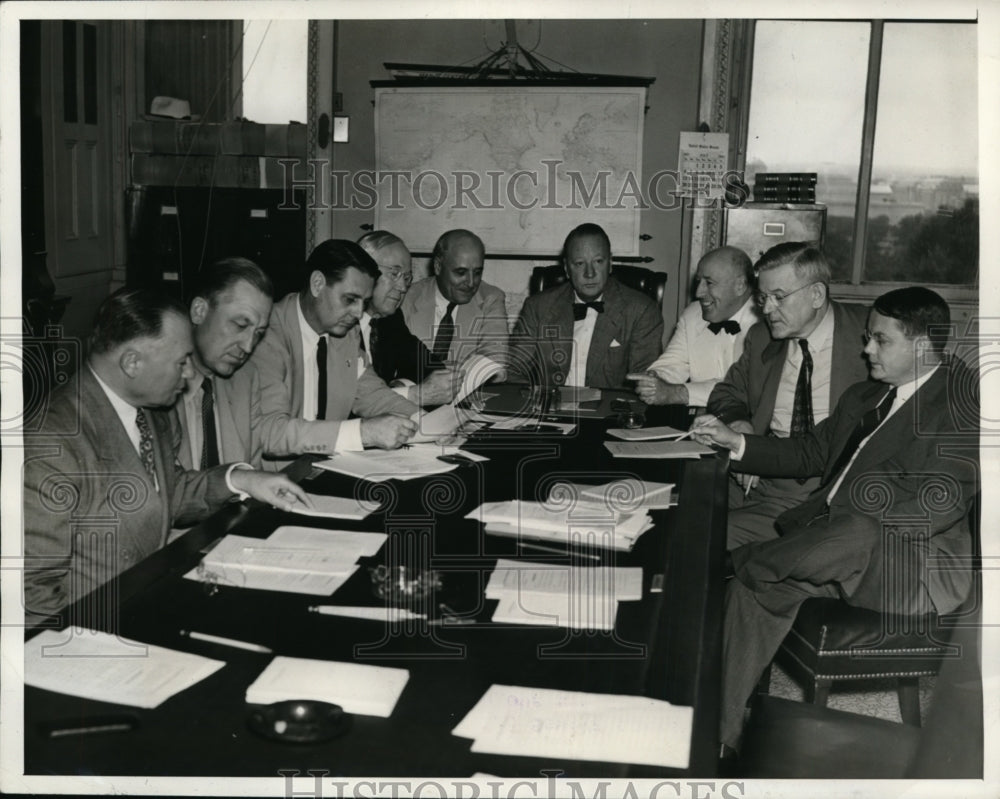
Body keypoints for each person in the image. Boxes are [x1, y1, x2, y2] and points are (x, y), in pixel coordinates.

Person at [691, 286, 978, 752]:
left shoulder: (964, 407)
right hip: (832, 550)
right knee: (753, 591)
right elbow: (811, 450)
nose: (866, 350)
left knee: (859, 528)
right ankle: (715, 742)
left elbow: (933, 506)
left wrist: (842, 520)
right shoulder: (866, 396)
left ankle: (739, 559)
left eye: (881, 341)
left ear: (922, 346)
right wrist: (735, 442)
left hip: (910, 567)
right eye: (868, 336)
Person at [22, 288, 310, 626]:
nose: (189, 373)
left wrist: (242, 479)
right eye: (181, 361)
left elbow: (167, 492)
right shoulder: (51, 440)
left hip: (148, 604)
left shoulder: (150, 410)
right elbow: (32, 592)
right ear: (132, 362)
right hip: (96, 632)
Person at [706, 241, 869, 548]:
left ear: (817, 294)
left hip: (818, 492)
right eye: (763, 298)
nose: (766, 309)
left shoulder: (868, 335)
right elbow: (726, 394)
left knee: (699, 536)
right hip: (751, 475)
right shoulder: (762, 337)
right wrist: (742, 425)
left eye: (779, 298)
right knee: (675, 509)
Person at [252, 239, 419, 463]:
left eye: (364, 302)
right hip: (273, 479)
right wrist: (362, 433)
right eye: (350, 299)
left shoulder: (345, 334)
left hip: (325, 469)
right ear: (318, 284)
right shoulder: (267, 335)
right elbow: (271, 434)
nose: (359, 313)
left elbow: (372, 394)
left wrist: (426, 422)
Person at [509, 223, 663, 389]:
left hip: (610, 412)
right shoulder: (538, 307)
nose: (590, 273)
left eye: (598, 261)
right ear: (567, 268)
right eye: (580, 263)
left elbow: (645, 383)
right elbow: (514, 369)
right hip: (549, 409)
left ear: (610, 263)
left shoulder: (642, 310)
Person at [171, 257, 273, 470]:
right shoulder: (155, 380)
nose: (248, 346)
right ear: (199, 311)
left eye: (259, 333)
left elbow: (252, 474)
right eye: (240, 325)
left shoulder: (246, 377)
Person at [632, 246, 758, 406]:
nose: (698, 292)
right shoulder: (693, 315)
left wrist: (677, 393)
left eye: (709, 283)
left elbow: (742, 388)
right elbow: (674, 363)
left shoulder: (766, 323)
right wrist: (653, 379)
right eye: (699, 281)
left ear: (739, 286)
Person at [356, 231, 460, 407]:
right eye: (394, 274)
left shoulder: (390, 319)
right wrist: (413, 394)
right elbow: (349, 399)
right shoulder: (339, 323)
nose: (403, 287)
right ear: (362, 272)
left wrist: (400, 385)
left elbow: (422, 364)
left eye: (406, 278)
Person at [399, 229, 508, 368]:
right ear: (438, 266)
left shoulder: (491, 299)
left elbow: (494, 364)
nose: (470, 283)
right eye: (461, 272)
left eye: (477, 273)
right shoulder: (407, 297)